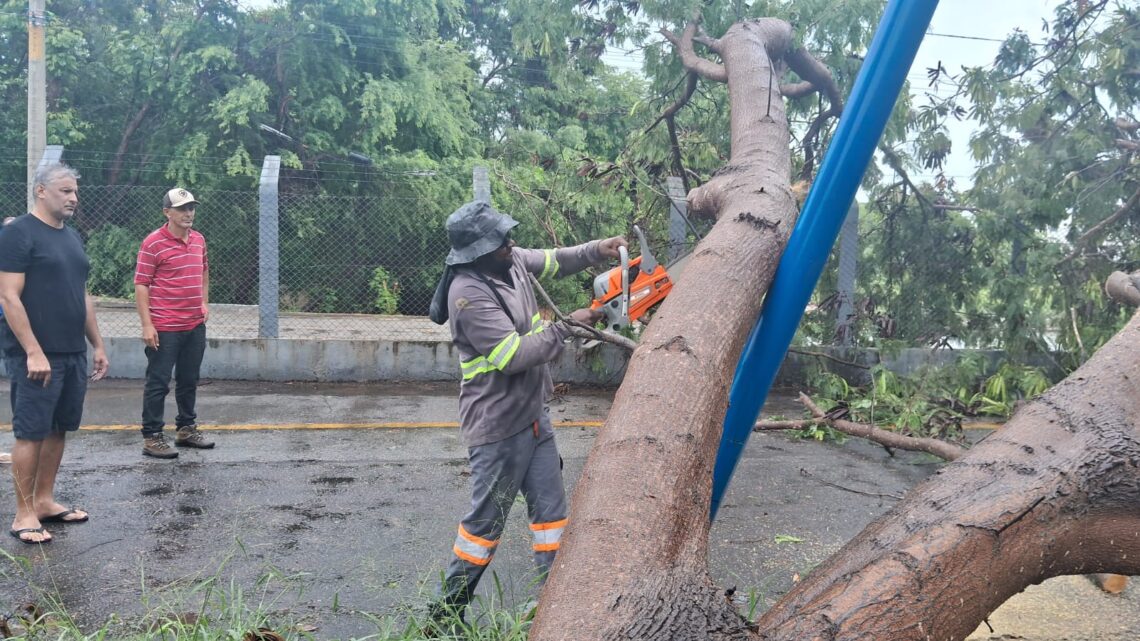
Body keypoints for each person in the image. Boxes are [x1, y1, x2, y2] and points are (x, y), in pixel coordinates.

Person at [425, 200, 625, 625]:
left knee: (552, 518)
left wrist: (597, 249)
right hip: (498, 429)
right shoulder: (468, 293)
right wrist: (568, 325)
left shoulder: (508, 260)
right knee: (483, 529)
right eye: (501, 240)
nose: (511, 243)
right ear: (478, 252)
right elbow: (512, 355)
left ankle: (556, 610)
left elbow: (552, 260)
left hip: (535, 417)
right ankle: (445, 614)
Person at [0, 164, 109, 544]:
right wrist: (33, 350)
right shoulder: (17, 234)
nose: (74, 198)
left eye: (75, 192)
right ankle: (23, 513)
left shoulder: (72, 237)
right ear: (41, 191)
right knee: (31, 432)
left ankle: (44, 501)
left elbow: (82, 295)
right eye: (65, 191)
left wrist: (96, 344)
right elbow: (8, 296)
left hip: (72, 352)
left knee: (59, 428)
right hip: (36, 356)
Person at [134, 188, 212, 459]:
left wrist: (204, 302)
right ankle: (152, 436)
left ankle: (186, 429)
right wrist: (147, 325)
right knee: (158, 382)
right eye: (182, 208)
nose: (189, 213)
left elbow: (203, 271)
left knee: (189, 379)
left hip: (194, 324)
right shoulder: (153, 242)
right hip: (165, 326)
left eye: (191, 208)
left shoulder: (199, 239)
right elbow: (141, 284)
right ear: (167, 212)